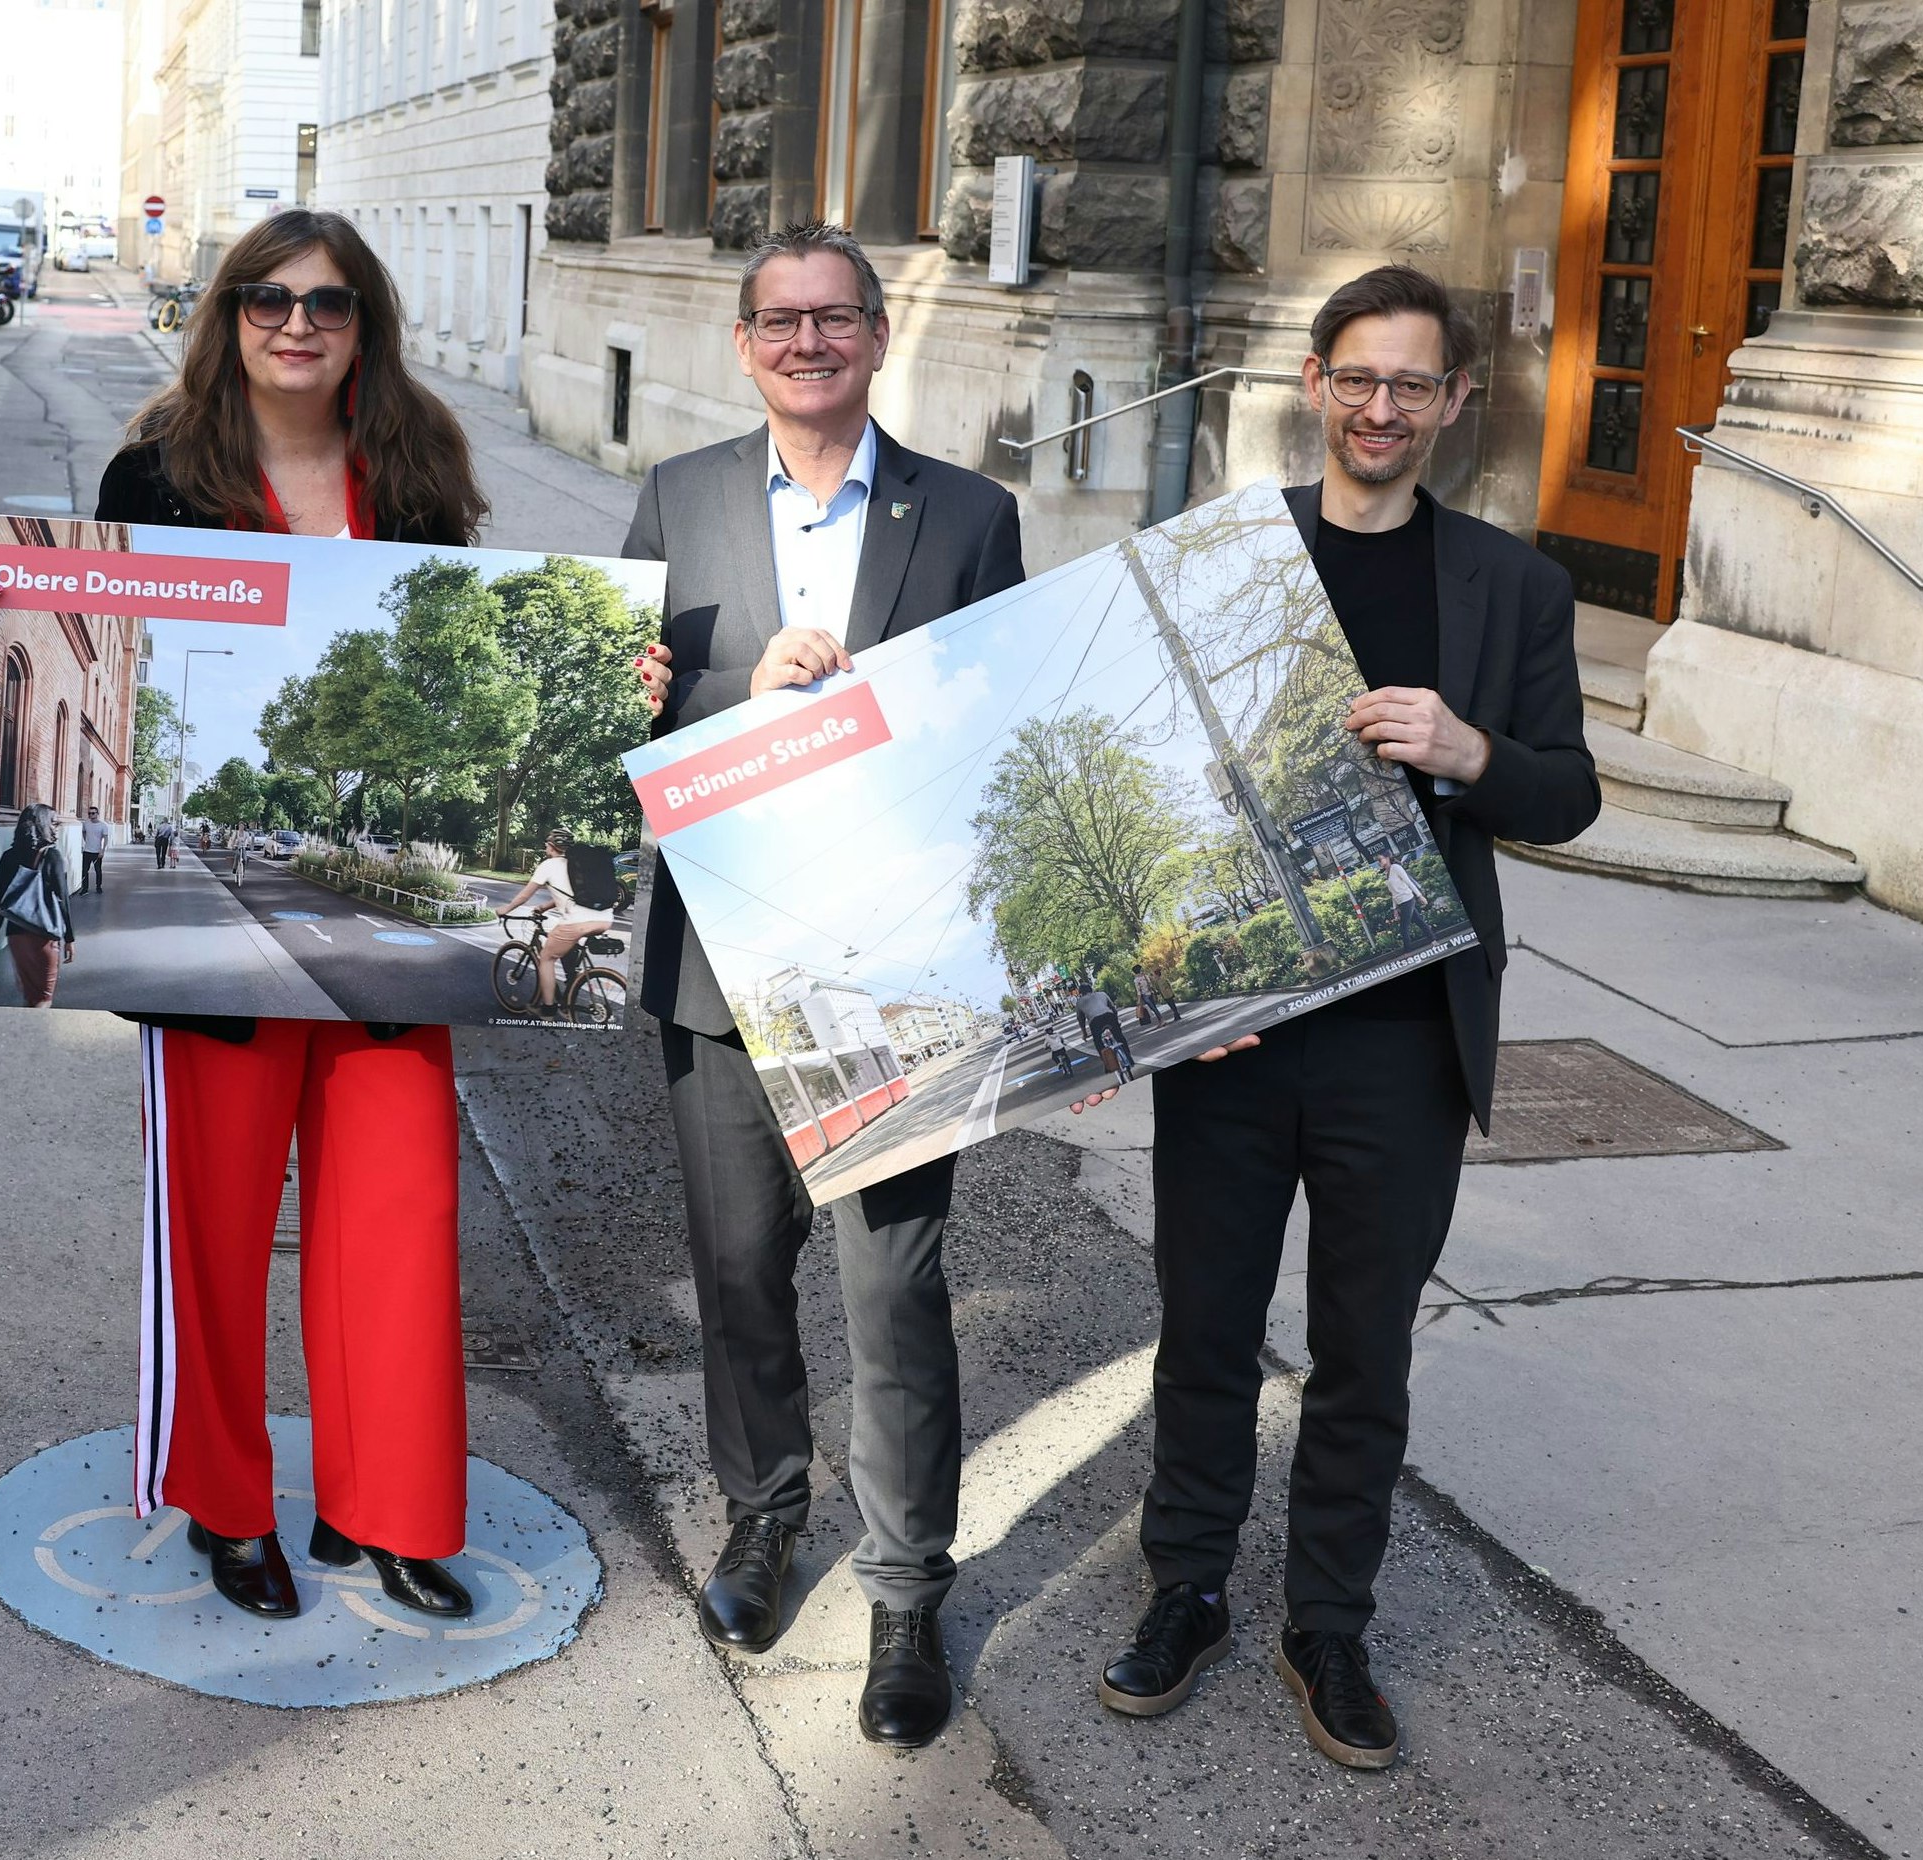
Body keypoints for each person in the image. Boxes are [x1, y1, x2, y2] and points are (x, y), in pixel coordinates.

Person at [1094, 265, 1599, 1770]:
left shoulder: (1512, 588)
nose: (1380, 409)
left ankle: (1331, 1619)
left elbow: (1566, 791)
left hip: (1401, 1039)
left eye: (1412, 386)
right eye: (1355, 379)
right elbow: (1147, 780)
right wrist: (1171, 981)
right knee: (1201, 1329)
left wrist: (1467, 749)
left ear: (1452, 404)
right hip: (1238, 1025)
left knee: (1362, 1345)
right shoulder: (1220, 564)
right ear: (1312, 383)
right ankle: (1184, 1587)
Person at [619, 224, 1031, 1750]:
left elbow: (1005, 730)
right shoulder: (678, 499)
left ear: (874, 337)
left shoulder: (970, 514)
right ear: (743, 345)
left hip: (894, 969)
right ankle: (760, 1517)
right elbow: (630, 704)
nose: (808, 342)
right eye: (779, 321)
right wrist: (741, 697)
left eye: (835, 318)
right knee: (735, 1272)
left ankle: (907, 1592)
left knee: (892, 1291)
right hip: (721, 959)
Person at [95, 207, 492, 1625]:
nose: (296, 325)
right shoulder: (157, 470)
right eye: (267, 301)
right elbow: (102, 652)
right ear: (230, 316)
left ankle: (385, 1511)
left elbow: (472, 661)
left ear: (364, 323)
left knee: (396, 1217)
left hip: (396, 918)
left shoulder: (425, 469)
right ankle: (224, 1504)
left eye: (326, 303)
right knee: (208, 1225)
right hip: (208, 920)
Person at [492, 830, 613, 1008]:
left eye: (547, 844)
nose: (545, 847)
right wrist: (544, 907)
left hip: (577, 922)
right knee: (566, 945)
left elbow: (524, 896)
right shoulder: (577, 866)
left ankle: (548, 1008)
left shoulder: (548, 865)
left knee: (547, 957)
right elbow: (573, 896)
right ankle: (572, 986)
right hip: (605, 918)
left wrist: (506, 909)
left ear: (552, 846)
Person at [0, 803, 74, 1005]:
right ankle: (36, 1034)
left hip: (15, 934)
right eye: (54, 822)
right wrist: (69, 939)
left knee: (30, 996)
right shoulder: (52, 856)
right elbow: (62, 899)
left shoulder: (8, 856)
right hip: (44, 935)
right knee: (43, 998)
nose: (57, 826)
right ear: (43, 824)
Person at [1375, 851, 1432, 942]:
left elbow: (1408, 882)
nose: (1379, 862)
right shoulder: (1387, 873)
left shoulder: (1396, 868)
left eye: (1380, 859)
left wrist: (1419, 896)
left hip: (1408, 899)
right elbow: (1393, 893)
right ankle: (1433, 940)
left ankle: (1408, 951)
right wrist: (1395, 908)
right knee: (1419, 921)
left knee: (1403, 927)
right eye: (1378, 861)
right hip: (1401, 902)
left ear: (1387, 858)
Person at [80, 804, 112, 892]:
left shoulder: (102, 825)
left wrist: (102, 850)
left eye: (93, 813)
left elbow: (105, 838)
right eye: (89, 813)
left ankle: (98, 886)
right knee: (84, 870)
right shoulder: (86, 823)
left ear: (97, 814)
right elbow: (84, 832)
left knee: (98, 870)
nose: (91, 815)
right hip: (87, 851)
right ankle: (85, 888)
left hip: (97, 851)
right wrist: (86, 841)